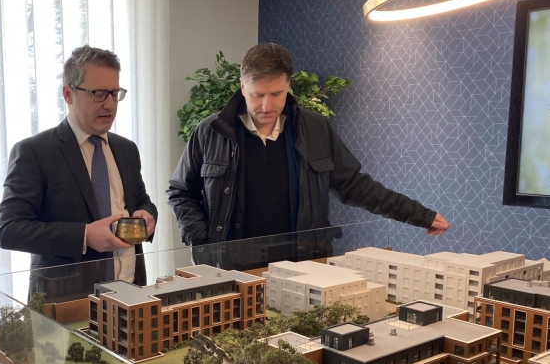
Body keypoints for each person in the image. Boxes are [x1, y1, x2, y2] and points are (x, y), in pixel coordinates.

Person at [167, 43, 448, 267]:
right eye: (257, 95)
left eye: (276, 94)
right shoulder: (210, 131)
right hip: (229, 266)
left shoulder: (315, 128)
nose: (266, 105)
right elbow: (180, 190)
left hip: (303, 264)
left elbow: (355, 186)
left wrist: (418, 215)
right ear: (243, 87)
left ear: (288, 86)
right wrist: (201, 240)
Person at [0, 46, 157, 296]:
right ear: (68, 94)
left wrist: (147, 214)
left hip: (131, 292)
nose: (110, 104)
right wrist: (84, 235)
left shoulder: (126, 149)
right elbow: (9, 230)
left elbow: (142, 201)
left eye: (115, 94)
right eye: (99, 94)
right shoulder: (35, 152)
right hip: (67, 301)